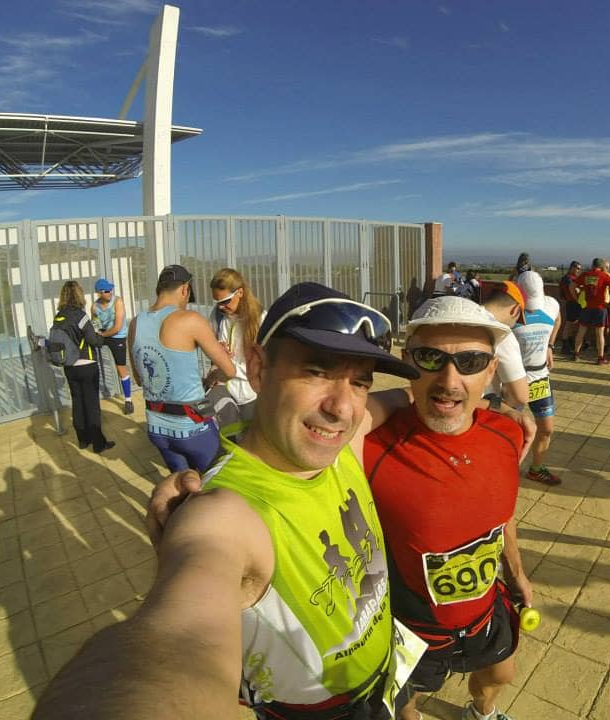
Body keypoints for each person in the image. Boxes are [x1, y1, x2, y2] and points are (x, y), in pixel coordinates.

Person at [35, 283, 423, 720]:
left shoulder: (343, 445)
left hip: (389, 668)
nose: (342, 408)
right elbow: (175, 642)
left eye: (358, 382)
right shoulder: (223, 512)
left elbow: (398, 400)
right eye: (316, 371)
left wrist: (476, 406)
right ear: (256, 368)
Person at [368, 295, 531, 720]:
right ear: (408, 363)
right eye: (429, 358)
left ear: (492, 370)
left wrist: (516, 573)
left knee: (501, 674)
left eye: (472, 362)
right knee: (406, 704)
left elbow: (501, 514)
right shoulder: (369, 450)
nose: (450, 379)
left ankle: (482, 712)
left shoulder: (506, 435)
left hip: (484, 614)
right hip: (409, 631)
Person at [129, 264, 236, 473]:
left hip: (156, 427)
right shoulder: (190, 319)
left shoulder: (135, 323)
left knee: (182, 486)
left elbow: (140, 379)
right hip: (192, 427)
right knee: (215, 485)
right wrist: (212, 375)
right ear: (185, 289)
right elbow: (229, 370)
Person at [54, 281, 115, 454]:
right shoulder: (80, 316)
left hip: (70, 367)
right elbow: (93, 340)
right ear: (79, 295)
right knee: (92, 404)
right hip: (87, 365)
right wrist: (102, 337)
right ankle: (98, 443)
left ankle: (82, 440)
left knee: (78, 402)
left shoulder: (59, 317)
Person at [514, 271, 562, 485]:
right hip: (515, 378)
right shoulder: (510, 312)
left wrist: (550, 345)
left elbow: (558, 318)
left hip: (540, 376)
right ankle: (505, 468)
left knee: (547, 428)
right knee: (511, 428)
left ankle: (536, 469)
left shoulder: (550, 305)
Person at [206, 268, 265, 437]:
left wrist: (228, 366)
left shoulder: (261, 319)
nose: (221, 307)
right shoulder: (224, 319)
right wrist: (219, 350)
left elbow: (263, 366)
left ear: (240, 292)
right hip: (229, 393)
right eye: (217, 303)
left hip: (253, 396)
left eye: (225, 301)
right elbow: (222, 359)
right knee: (233, 442)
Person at [481, 280, 530, 410]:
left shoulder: (459, 316)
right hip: (478, 413)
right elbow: (521, 396)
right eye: (518, 319)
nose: (513, 325)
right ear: (515, 310)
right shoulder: (502, 334)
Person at [92, 278, 134, 414]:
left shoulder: (118, 301)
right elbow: (95, 322)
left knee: (120, 368)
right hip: (104, 334)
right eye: (106, 291)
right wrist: (97, 331)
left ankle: (128, 400)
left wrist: (102, 335)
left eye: (111, 289)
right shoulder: (94, 307)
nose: (110, 292)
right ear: (99, 293)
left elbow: (117, 327)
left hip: (117, 336)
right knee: (89, 358)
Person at [572, 257, 610, 364]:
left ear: (593, 265)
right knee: (599, 333)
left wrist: (577, 300)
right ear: (602, 266)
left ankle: (575, 354)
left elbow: (572, 286)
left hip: (586, 307)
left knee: (581, 331)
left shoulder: (585, 275)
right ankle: (600, 358)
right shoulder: (604, 276)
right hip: (600, 308)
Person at [557, 260, 582, 356]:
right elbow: (574, 290)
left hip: (573, 303)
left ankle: (569, 343)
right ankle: (565, 345)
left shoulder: (570, 278)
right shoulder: (568, 279)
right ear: (572, 268)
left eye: (580, 269)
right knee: (569, 324)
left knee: (572, 324)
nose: (579, 271)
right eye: (577, 268)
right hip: (572, 303)